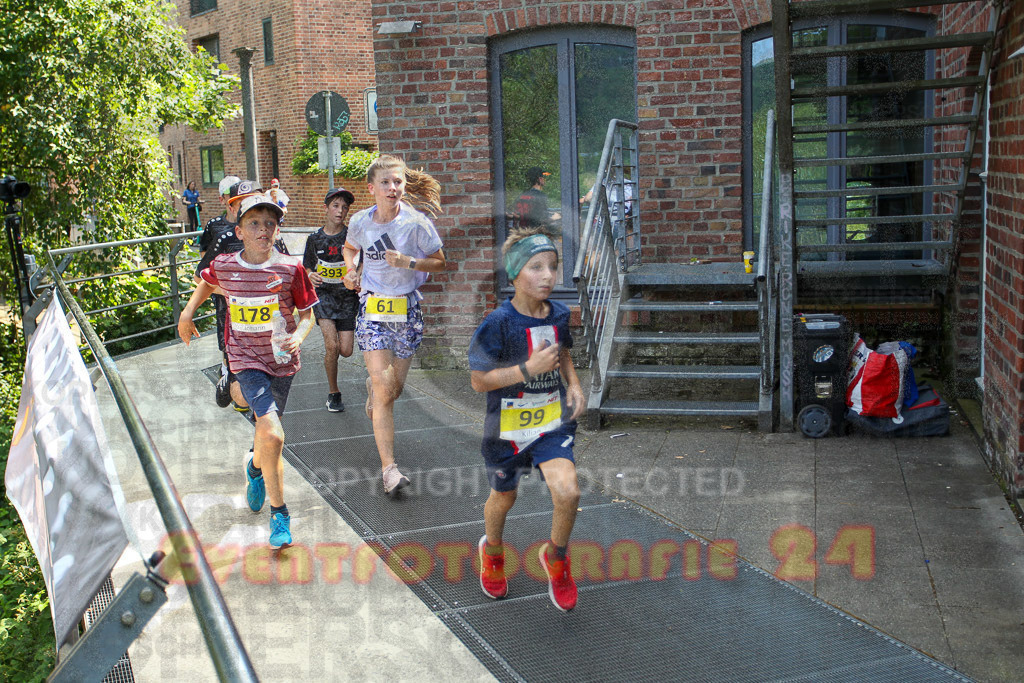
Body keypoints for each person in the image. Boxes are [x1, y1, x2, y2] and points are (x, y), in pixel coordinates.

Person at [178, 193, 318, 549]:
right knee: (273, 435)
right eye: (254, 223)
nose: (263, 230)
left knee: (265, 435)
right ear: (238, 231)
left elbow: (307, 315)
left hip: (281, 363)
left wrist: (299, 337)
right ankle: (280, 514)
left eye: (270, 223)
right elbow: (207, 282)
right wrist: (186, 313)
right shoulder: (226, 264)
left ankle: (255, 470)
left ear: (277, 230)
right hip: (245, 360)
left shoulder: (290, 268)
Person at [467, 227, 585, 612]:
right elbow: (478, 380)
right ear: (515, 274)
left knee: (568, 493)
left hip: (552, 420)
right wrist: (526, 370)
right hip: (508, 429)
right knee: (505, 496)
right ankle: (494, 553)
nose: (548, 276)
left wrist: (574, 384)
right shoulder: (498, 323)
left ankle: (556, 558)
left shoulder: (560, 314)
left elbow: (563, 351)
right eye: (536, 267)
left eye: (553, 266)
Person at [342, 154, 446, 495]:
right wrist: (351, 270)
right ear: (372, 188)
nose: (392, 188)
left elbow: (440, 263)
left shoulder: (416, 223)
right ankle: (390, 470)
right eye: (385, 182)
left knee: (392, 391)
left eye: (398, 182)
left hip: (407, 311)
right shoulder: (360, 221)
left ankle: (377, 390)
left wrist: (409, 261)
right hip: (373, 309)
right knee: (385, 391)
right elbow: (349, 248)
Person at [195, 179, 289, 412]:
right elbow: (200, 277)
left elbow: (289, 274)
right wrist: (228, 290)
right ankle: (230, 376)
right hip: (232, 319)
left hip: (268, 325)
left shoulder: (274, 237)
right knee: (243, 397)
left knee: (263, 391)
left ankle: (260, 437)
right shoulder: (226, 238)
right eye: (244, 202)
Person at [303, 187, 360, 412]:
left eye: (345, 207)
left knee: (346, 350)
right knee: (332, 345)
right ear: (326, 208)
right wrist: (309, 274)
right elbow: (307, 264)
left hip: (346, 298)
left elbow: (360, 260)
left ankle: (334, 385)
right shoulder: (314, 239)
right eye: (336, 206)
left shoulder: (351, 237)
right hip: (324, 296)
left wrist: (357, 274)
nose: (340, 211)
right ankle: (333, 392)